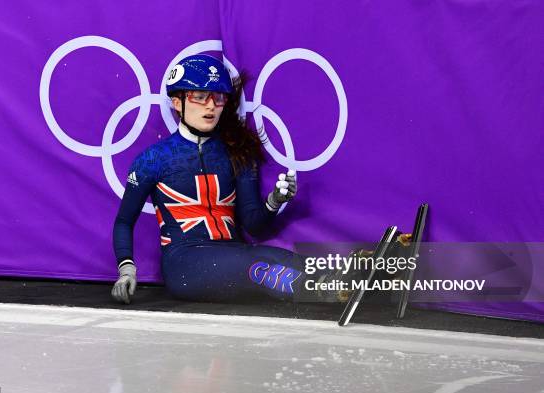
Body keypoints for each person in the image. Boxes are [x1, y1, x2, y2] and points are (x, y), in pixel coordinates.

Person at [111, 54, 404, 304]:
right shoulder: (153, 159)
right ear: (177, 103)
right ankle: (331, 291)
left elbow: (254, 224)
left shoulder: (238, 151)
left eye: (218, 98)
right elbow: (124, 220)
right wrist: (127, 269)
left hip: (233, 251)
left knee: (277, 256)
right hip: (184, 263)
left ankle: (362, 272)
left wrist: (275, 201)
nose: (211, 106)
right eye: (199, 97)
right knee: (257, 265)